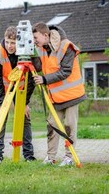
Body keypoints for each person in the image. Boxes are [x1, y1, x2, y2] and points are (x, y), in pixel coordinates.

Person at [32, 22, 86, 166]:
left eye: (36, 38)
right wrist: (29, 53)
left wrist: (44, 79)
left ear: (45, 35)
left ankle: (69, 157)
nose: (34, 41)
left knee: (69, 126)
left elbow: (65, 72)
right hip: (55, 97)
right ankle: (50, 157)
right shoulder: (42, 48)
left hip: (71, 96)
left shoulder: (66, 46)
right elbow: (39, 67)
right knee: (52, 127)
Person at [0, 26, 36, 166]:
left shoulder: (25, 53)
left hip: (20, 90)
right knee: (0, 119)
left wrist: (26, 102)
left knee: (25, 119)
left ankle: (28, 155)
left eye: (13, 43)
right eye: (8, 42)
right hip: (3, 91)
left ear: (19, 42)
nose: (10, 46)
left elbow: (31, 80)